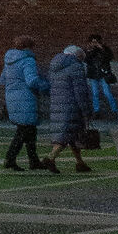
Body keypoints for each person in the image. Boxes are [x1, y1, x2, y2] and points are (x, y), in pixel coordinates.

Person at [1, 35, 50, 171]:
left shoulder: (9, 60)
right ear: (29, 47)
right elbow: (32, 81)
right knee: (24, 130)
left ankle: (33, 160)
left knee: (30, 129)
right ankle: (10, 158)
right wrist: (46, 85)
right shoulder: (28, 60)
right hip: (26, 97)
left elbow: (2, 78)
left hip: (11, 96)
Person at [43, 43, 93, 175]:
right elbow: (80, 91)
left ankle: (80, 162)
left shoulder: (55, 66)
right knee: (66, 135)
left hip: (57, 104)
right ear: (77, 56)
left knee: (73, 135)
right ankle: (51, 157)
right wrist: (86, 110)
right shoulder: (76, 67)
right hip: (72, 106)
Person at [85, 34, 118, 119]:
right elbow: (86, 60)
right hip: (93, 74)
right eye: (92, 42)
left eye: (96, 41)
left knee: (107, 92)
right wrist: (90, 51)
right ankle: (96, 111)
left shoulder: (105, 49)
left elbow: (109, 58)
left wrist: (101, 49)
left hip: (103, 73)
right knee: (95, 93)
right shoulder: (88, 50)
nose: (94, 43)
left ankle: (115, 110)